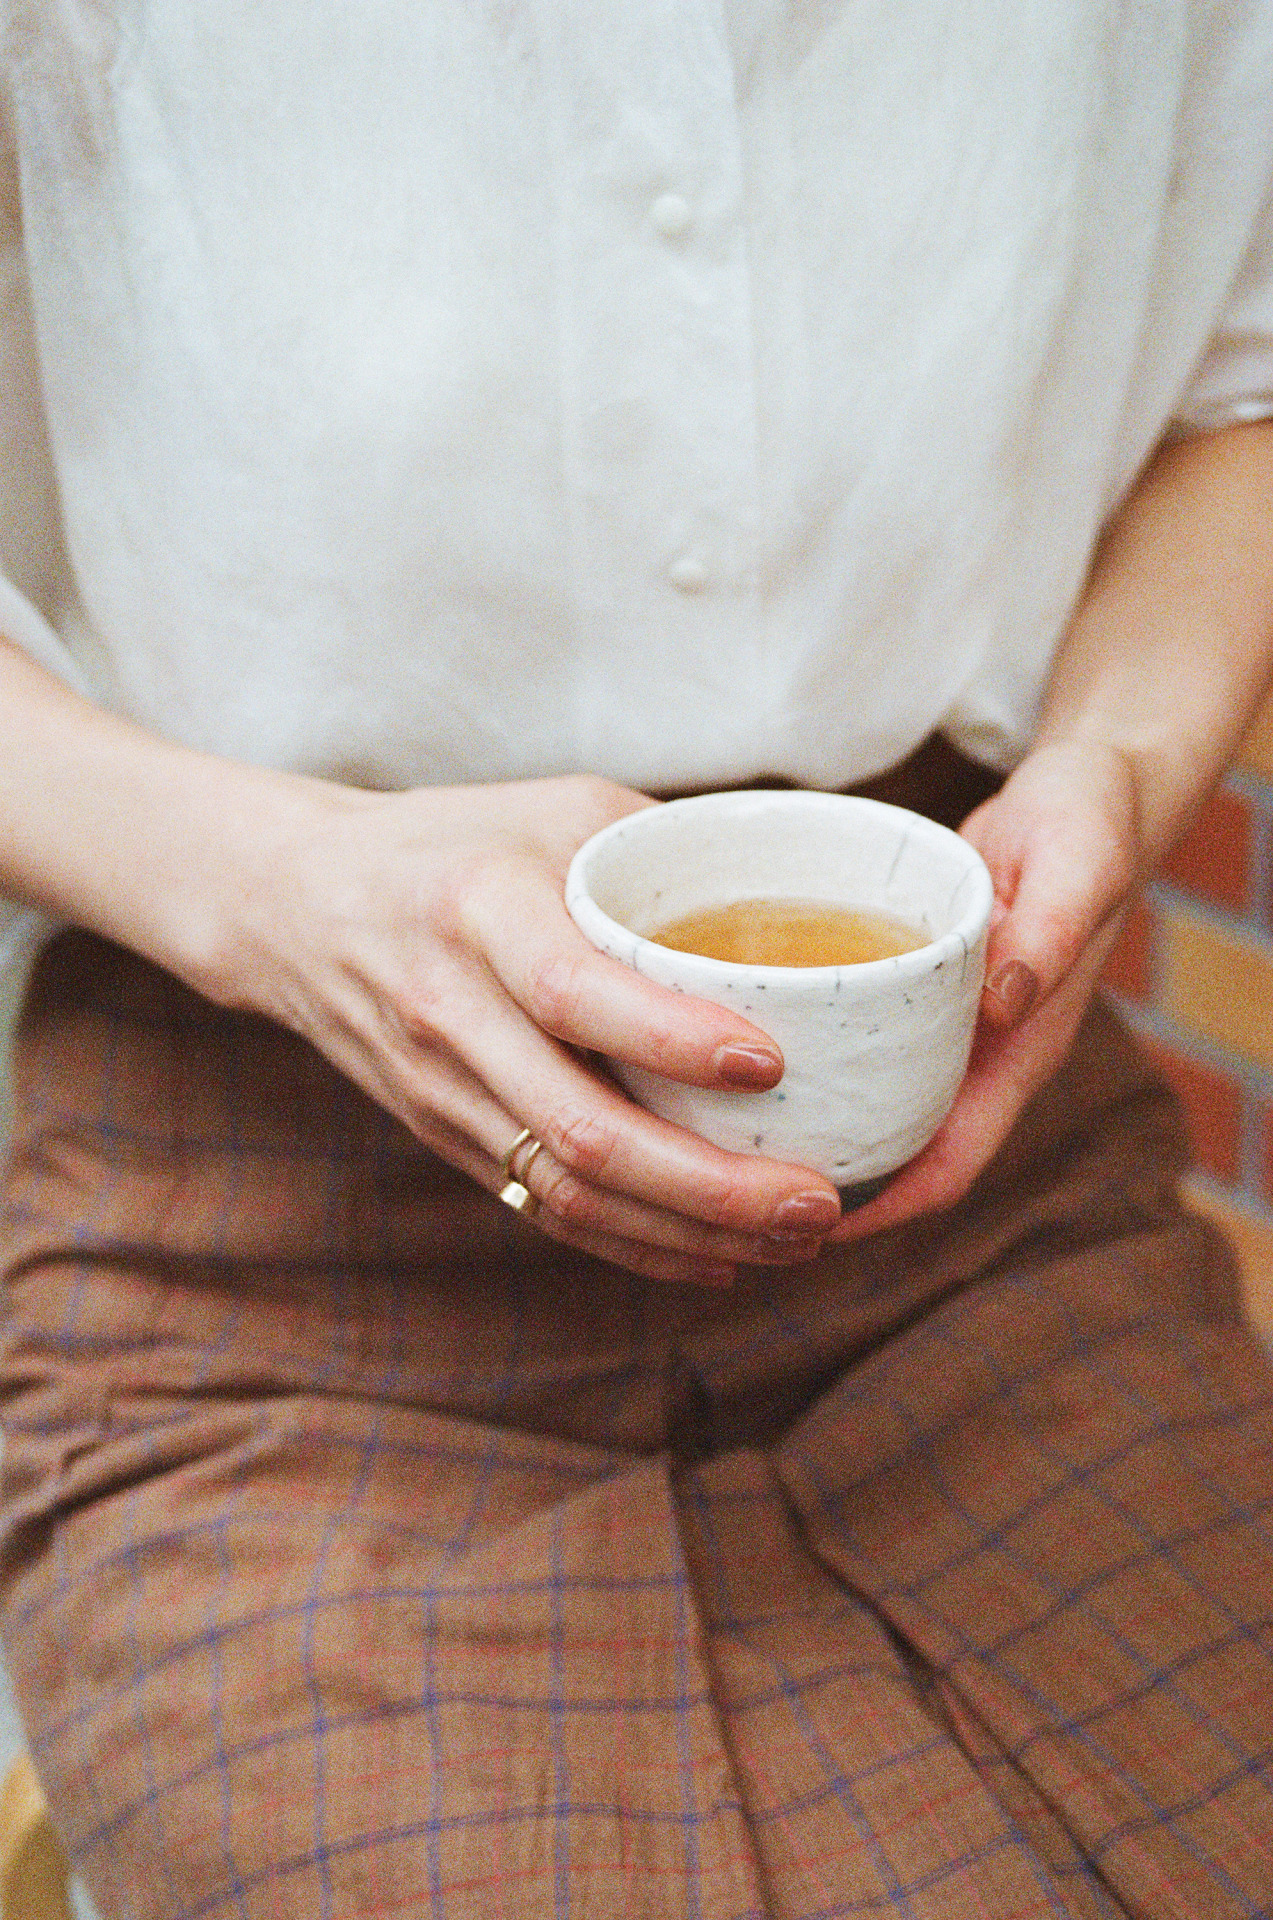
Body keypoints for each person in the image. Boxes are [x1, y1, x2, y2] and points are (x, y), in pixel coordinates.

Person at [0, 2, 1270, 1914]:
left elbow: (1234, 397)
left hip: (954, 1167)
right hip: (252, 1176)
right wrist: (288, 896)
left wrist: (1110, 767)